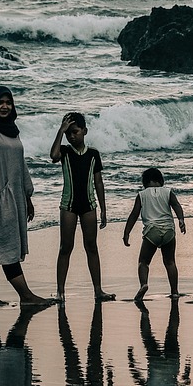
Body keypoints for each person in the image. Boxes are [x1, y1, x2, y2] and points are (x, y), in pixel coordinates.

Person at [0, 86, 53, 306]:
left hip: (13, 198)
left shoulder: (11, 130)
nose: (5, 106)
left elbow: (21, 166)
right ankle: (26, 296)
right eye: (0, 102)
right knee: (6, 247)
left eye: (8, 102)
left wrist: (28, 195)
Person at [50, 112, 115, 303]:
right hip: (68, 206)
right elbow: (53, 155)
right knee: (65, 247)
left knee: (91, 247)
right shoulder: (65, 151)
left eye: (75, 132)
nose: (72, 136)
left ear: (84, 131)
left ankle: (98, 290)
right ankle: (60, 291)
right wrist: (60, 132)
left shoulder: (93, 154)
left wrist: (103, 208)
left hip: (89, 205)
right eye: (69, 133)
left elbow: (99, 183)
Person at [123, 168, 185, 303]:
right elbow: (176, 206)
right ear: (161, 181)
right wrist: (181, 220)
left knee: (143, 262)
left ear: (145, 182)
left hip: (152, 231)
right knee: (170, 262)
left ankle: (144, 284)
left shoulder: (142, 194)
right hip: (168, 231)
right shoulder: (168, 192)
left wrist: (127, 232)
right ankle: (174, 292)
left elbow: (134, 214)